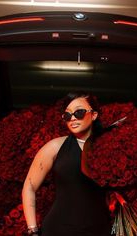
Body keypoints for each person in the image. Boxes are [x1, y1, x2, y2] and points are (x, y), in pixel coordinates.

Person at [22, 91, 111, 236]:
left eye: (79, 112)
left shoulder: (109, 147)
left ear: (94, 115)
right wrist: (32, 230)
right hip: (58, 229)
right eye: (67, 115)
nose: (73, 118)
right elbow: (29, 186)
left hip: (99, 229)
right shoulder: (54, 147)